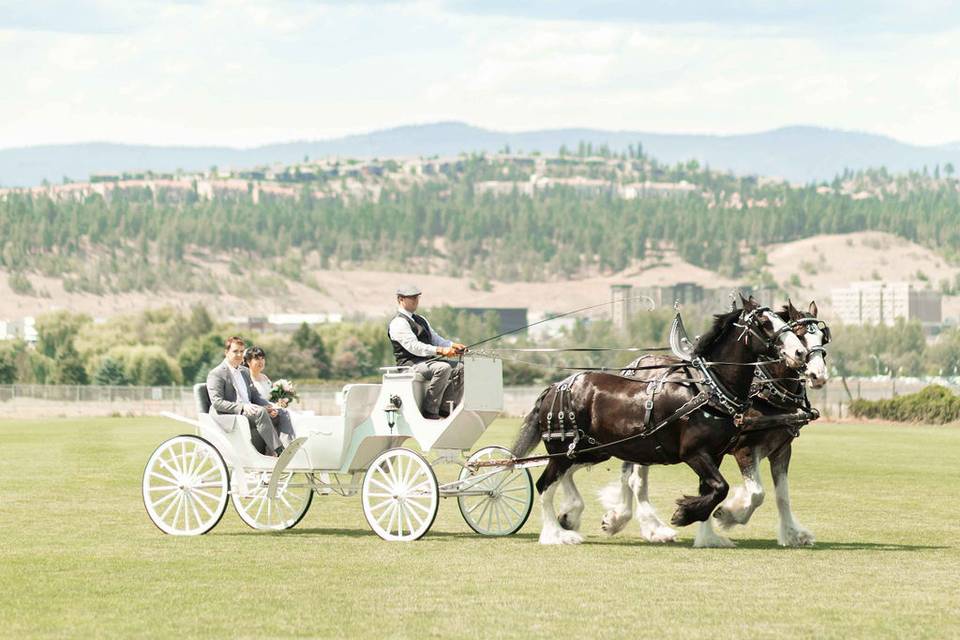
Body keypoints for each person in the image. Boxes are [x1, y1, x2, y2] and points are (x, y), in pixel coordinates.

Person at [387, 284, 466, 419]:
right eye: (411, 298)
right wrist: (441, 351)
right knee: (443, 367)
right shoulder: (398, 323)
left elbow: (435, 339)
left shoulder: (421, 319)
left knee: (461, 368)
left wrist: (452, 346)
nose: (415, 301)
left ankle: (445, 409)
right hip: (410, 364)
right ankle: (430, 410)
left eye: (416, 297)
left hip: (427, 362)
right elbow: (415, 347)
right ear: (400, 299)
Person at [206, 336, 295, 456]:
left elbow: (255, 396)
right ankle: (279, 451)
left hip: (251, 411)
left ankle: (289, 448)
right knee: (260, 412)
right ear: (226, 352)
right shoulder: (216, 374)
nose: (239, 354)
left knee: (282, 412)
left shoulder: (244, 371)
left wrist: (269, 406)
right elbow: (217, 402)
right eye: (235, 351)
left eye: (241, 351)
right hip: (230, 415)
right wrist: (242, 407)